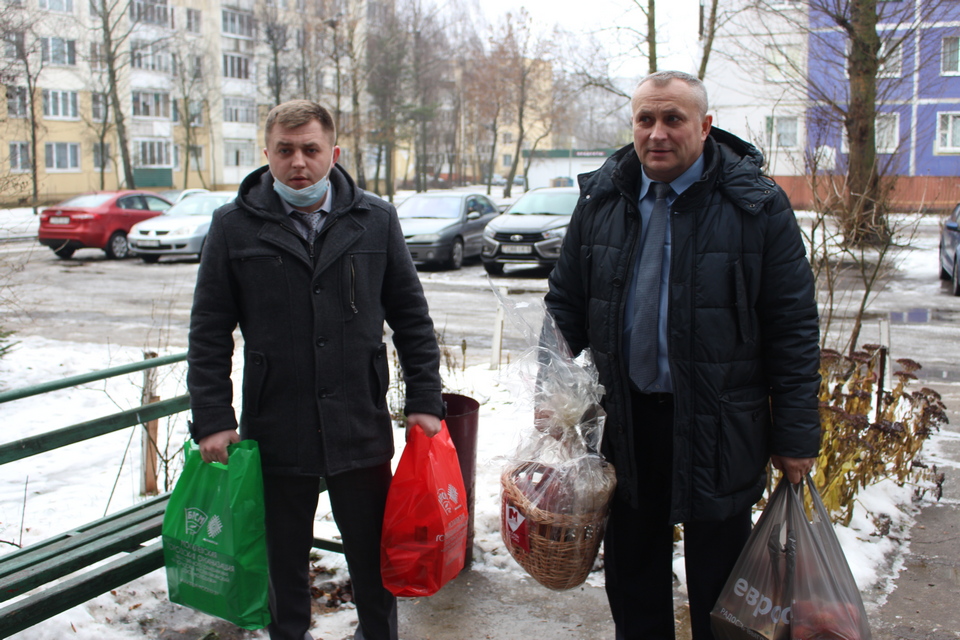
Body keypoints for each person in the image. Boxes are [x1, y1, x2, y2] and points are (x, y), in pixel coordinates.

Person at [543, 71, 821, 639]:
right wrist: (552, 395)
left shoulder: (757, 207)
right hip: (626, 423)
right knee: (633, 577)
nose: (658, 133)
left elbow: (792, 328)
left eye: (674, 119)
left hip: (720, 424)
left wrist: (795, 437)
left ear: (705, 126)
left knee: (721, 587)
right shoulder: (602, 197)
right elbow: (564, 304)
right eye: (646, 119)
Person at [186, 99, 445, 640]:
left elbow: (412, 319)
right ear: (267, 153)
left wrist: (425, 400)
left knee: (374, 562)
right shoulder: (233, 226)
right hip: (278, 423)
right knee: (283, 562)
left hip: (358, 419)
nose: (298, 162)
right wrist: (212, 416)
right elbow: (209, 331)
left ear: (334, 152)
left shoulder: (375, 219)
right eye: (285, 150)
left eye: (310, 149)